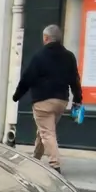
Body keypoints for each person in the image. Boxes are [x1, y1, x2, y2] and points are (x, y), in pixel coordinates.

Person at [12, 24, 83, 172]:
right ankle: (35, 158)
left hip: (43, 100)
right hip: (61, 101)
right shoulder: (69, 56)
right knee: (44, 130)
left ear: (46, 38)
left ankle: (55, 165)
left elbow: (27, 78)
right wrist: (77, 99)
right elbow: (75, 80)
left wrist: (17, 96)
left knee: (47, 132)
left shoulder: (39, 56)